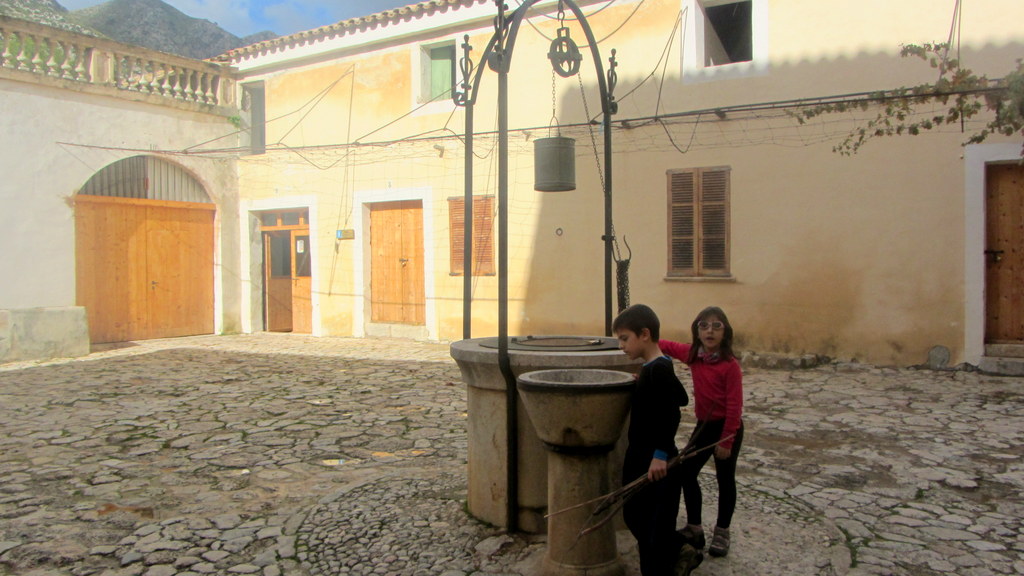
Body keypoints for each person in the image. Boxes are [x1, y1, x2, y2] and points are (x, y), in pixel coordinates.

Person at [612, 304, 702, 576]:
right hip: (642, 455)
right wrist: (643, 383)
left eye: (625, 338)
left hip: (654, 459)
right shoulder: (657, 367)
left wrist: (660, 455)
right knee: (635, 516)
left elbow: (672, 413)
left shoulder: (658, 369)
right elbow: (681, 396)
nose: (621, 346)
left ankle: (666, 563)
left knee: (651, 527)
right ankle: (680, 550)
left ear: (645, 334)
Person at [659, 306, 744, 559]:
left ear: (725, 332)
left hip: (727, 428)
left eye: (716, 326)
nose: (710, 331)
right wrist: (643, 342)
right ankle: (695, 528)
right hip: (704, 427)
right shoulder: (693, 355)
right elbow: (665, 345)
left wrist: (727, 440)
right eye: (703, 325)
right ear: (697, 331)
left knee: (725, 478)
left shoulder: (730, 366)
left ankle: (722, 531)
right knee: (686, 472)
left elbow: (734, 406)